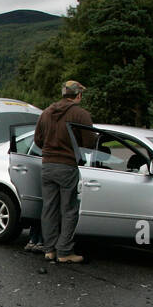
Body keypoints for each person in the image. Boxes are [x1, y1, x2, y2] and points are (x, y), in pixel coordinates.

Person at [34, 80, 94, 263]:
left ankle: (49, 250)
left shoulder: (46, 113)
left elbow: (37, 140)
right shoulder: (80, 114)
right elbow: (89, 144)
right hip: (67, 166)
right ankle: (65, 251)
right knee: (69, 209)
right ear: (78, 95)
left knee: (49, 208)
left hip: (47, 166)